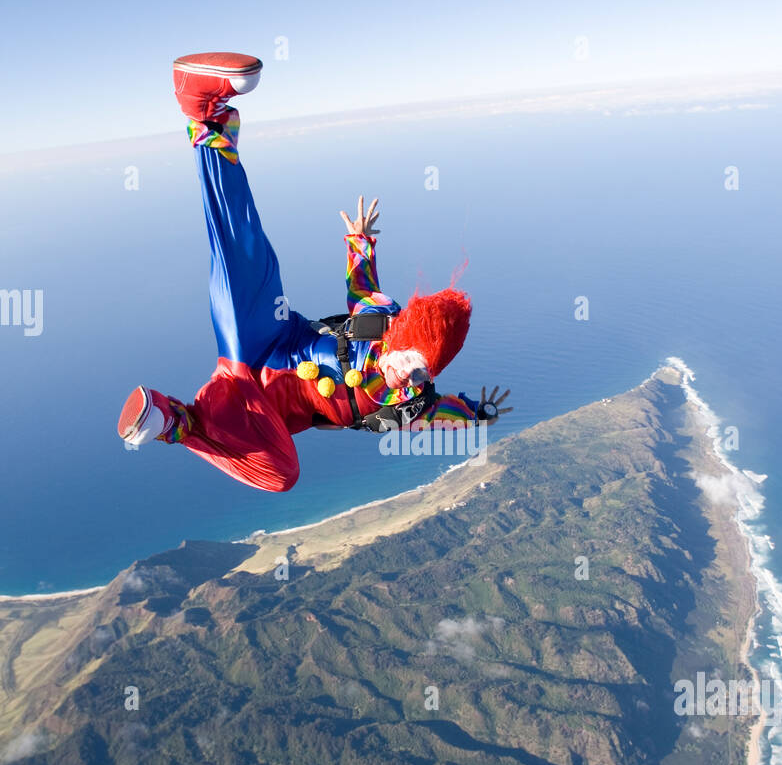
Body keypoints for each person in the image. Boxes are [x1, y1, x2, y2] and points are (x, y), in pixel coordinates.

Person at [117, 53, 511, 492]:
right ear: (399, 338)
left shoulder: (415, 405)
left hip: (261, 407)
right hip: (277, 338)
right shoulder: (381, 322)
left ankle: (176, 422)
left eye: (421, 373)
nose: (408, 375)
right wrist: (360, 242)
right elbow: (363, 288)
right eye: (408, 361)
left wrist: (478, 413)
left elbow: (446, 412)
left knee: (282, 476)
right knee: (244, 255)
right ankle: (206, 113)